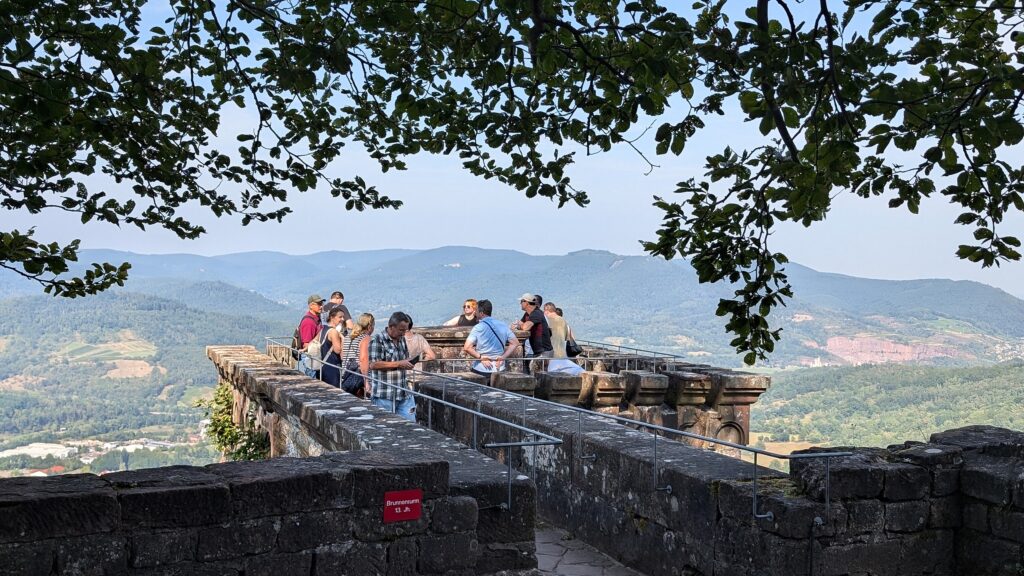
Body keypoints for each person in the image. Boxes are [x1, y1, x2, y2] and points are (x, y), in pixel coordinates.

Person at [368, 311, 415, 421]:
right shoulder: (378, 340)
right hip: (384, 395)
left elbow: (404, 358)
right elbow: (374, 364)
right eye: (401, 330)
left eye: (405, 330)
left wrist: (409, 362)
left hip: (403, 392)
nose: (403, 333)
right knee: (385, 428)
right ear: (391, 327)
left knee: (411, 427)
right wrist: (399, 363)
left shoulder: (401, 339)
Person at [463, 299, 521, 385]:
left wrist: (480, 357)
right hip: (499, 368)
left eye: (477, 311)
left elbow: (467, 347)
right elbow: (515, 343)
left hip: (481, 369)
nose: (475, 313)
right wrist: (503, 356)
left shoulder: (478, 327)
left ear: (481, 313)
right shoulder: (503, 325)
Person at [513, 293, 552, 373]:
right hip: (537, 352)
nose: (520, 303)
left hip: (544, 352)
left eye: (521, 301)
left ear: (526, 303)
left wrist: (519, 326)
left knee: (538, 375)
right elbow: (517, 324)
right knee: (534, 374)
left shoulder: (536, 313)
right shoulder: (527, 314)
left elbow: (525, 327)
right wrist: (517, 325)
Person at [340, 313, 374, 396]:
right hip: (359, 377)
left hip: (346, 374)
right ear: (369, 327)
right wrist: (366, 381)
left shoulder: (348, 337)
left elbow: (342, 355)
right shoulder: (366, 338)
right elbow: (363, 360)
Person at [295, 294, 324, 377]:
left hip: (315, 357)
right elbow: (306, 344)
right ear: (311, 306)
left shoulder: (316, 318)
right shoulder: (309, 322)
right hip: (311, 358)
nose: (321, 306)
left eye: (321, 304)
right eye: (319, 304)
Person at [404, 316, 437, 388]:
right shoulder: (419, 338)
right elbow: (432, 356)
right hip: (418, 375)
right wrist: (420, 360)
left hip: (404, 375)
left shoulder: (399, 339)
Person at [318, 307, 345, 387]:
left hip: (322, 365)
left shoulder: (324, 329)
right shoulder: (333, 332)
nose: (342, 319)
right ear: (332, 317)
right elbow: (337, 350)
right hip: (332, 366)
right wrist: (342, 339)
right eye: (340, 317)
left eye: (343, 317)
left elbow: (314, 340)